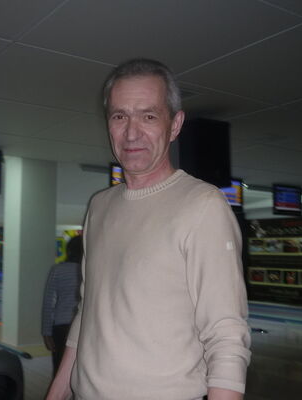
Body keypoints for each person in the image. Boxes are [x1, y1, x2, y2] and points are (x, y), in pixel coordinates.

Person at [46, 59, 251, 400]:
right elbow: (88, 311)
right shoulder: (99, 206)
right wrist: (56, 393)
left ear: (175, 125)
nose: (131, 133)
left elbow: (226, 334)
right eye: (119, 116)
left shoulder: (202, 205)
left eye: (149, 116)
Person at [41, 235, 83, 376]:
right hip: (82, 326)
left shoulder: (58, 270)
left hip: (61, 327)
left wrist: (46, 333)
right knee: (78, 371)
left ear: (68, 250)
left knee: (60, 370)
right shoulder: (89, 271)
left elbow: (48, 303)